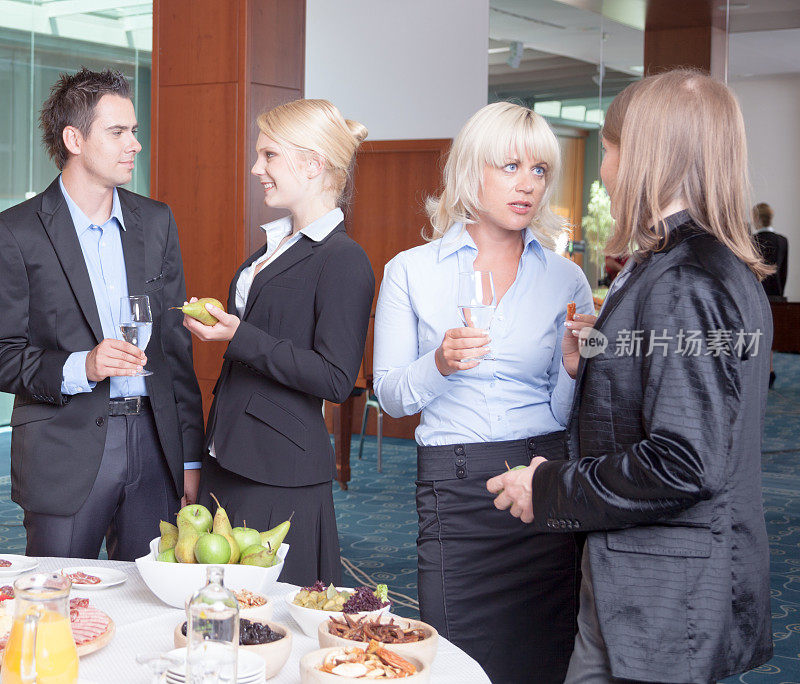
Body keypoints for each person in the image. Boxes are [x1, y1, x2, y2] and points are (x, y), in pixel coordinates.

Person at [488, 70, 774, 683]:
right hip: (657, 583)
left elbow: (684, 462)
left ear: (648, 156)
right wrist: (593, 366)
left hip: (661, 594)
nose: (603, 171)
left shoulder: (685, 281)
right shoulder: (702, 266)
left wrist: (550, 488)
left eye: (610, 151)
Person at [372, 101, 594, 683]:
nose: (527, 185)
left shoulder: (566, 279)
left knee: (548, 657)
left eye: (540, 170)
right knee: (457, 659)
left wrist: (573, 369)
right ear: (472, 172)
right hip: (454, 491)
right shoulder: (410, 271)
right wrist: (440, 363)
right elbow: (392, 395)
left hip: (543, 483)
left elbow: (562, 413)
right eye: (510, 166)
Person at [0, 68, 204, 561]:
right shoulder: (16, 231)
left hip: (155, 451)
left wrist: (190, 458)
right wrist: (83, 366)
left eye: (134, 131)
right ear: (74, 138)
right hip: (62, 453)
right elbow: (4, 355)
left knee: (149, 611)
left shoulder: (156, 222)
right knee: (58, 607)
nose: (134, 143)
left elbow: (176, 352)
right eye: (117, 132)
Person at [183, 99, 374, 586]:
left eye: (268, 156)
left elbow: (334, 378)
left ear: (312, 164)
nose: (255, 168)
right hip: (229, 454)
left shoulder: (344, 260)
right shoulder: (274, 247)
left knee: (271, 619)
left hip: (279, 469)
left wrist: (240, 335)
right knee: (218, 608)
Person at [752, 202, 788, 299]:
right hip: (777, 296)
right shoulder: (782, 241)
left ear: (756, 218)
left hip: (757, 296)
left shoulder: (751, 241)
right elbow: (783, 273)